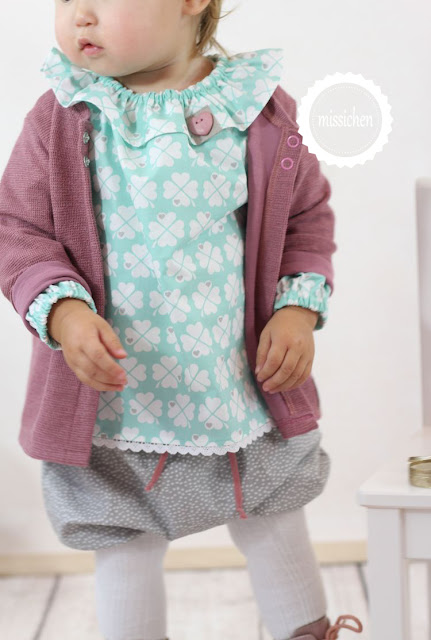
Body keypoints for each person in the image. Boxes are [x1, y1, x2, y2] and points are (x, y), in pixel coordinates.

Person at [0, 1, 364, 639]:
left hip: (239, 387)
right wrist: (64, 311)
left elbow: (305, 217)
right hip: (115, 405)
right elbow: (20, 230)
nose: (79, 16)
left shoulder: (255, 109)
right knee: (124, 541)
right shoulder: (63, 115)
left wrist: (297, 309)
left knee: (274, 516)